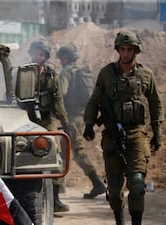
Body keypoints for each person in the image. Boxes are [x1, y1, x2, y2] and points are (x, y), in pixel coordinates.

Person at [83, 31, 163, 225]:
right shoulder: (106, 74)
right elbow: (94, 100)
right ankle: (119, 221)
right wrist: (89, 124)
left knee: (136, 183)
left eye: (130, 50)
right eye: (123, 49)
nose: (126, 53)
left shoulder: (146, 75)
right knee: (115, 188)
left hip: (136, 134)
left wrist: (157, 133)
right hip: (112, 135)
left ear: (136, 51)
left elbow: (155, 104)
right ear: (118, 50)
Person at [19, 39, 70, 213]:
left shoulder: (51, 75)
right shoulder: (23, 73)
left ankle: (54, 198)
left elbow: (58, 101)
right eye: (35, 52)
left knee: (56, 155)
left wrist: (64, 122)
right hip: (27, 120)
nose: (37, 56)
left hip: (47, 121)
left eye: (41, 53)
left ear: (46, 56)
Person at [57, 44, 106, 199]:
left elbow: (61, 92)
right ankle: (59, 186)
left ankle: (97, 183)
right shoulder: (79, 71)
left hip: (71, 118)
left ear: (64, 58)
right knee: (63, 150)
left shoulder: (66, 72)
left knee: (78, 151)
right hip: (80, 116)